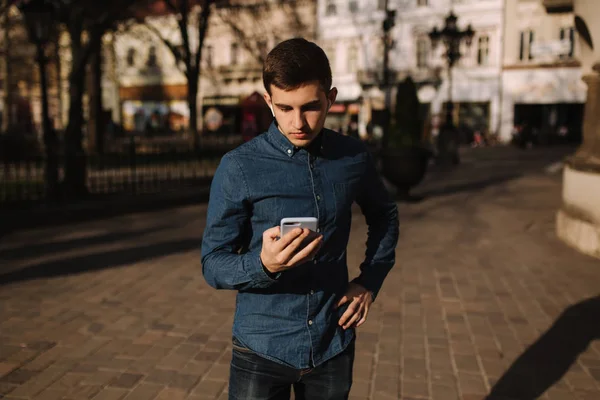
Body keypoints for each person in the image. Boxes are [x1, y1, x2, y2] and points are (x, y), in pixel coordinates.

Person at [201, 38, 399, 400]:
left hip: (331, 343)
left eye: (310, 107)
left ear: (331, 98)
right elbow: (213, 263)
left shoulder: (353, 157)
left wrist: (369, 281)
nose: (298, 123)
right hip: (260, 346)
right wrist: (261, 263)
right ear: (268, 102)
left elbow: (385, 214)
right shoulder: (239, 166)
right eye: (284, 108)